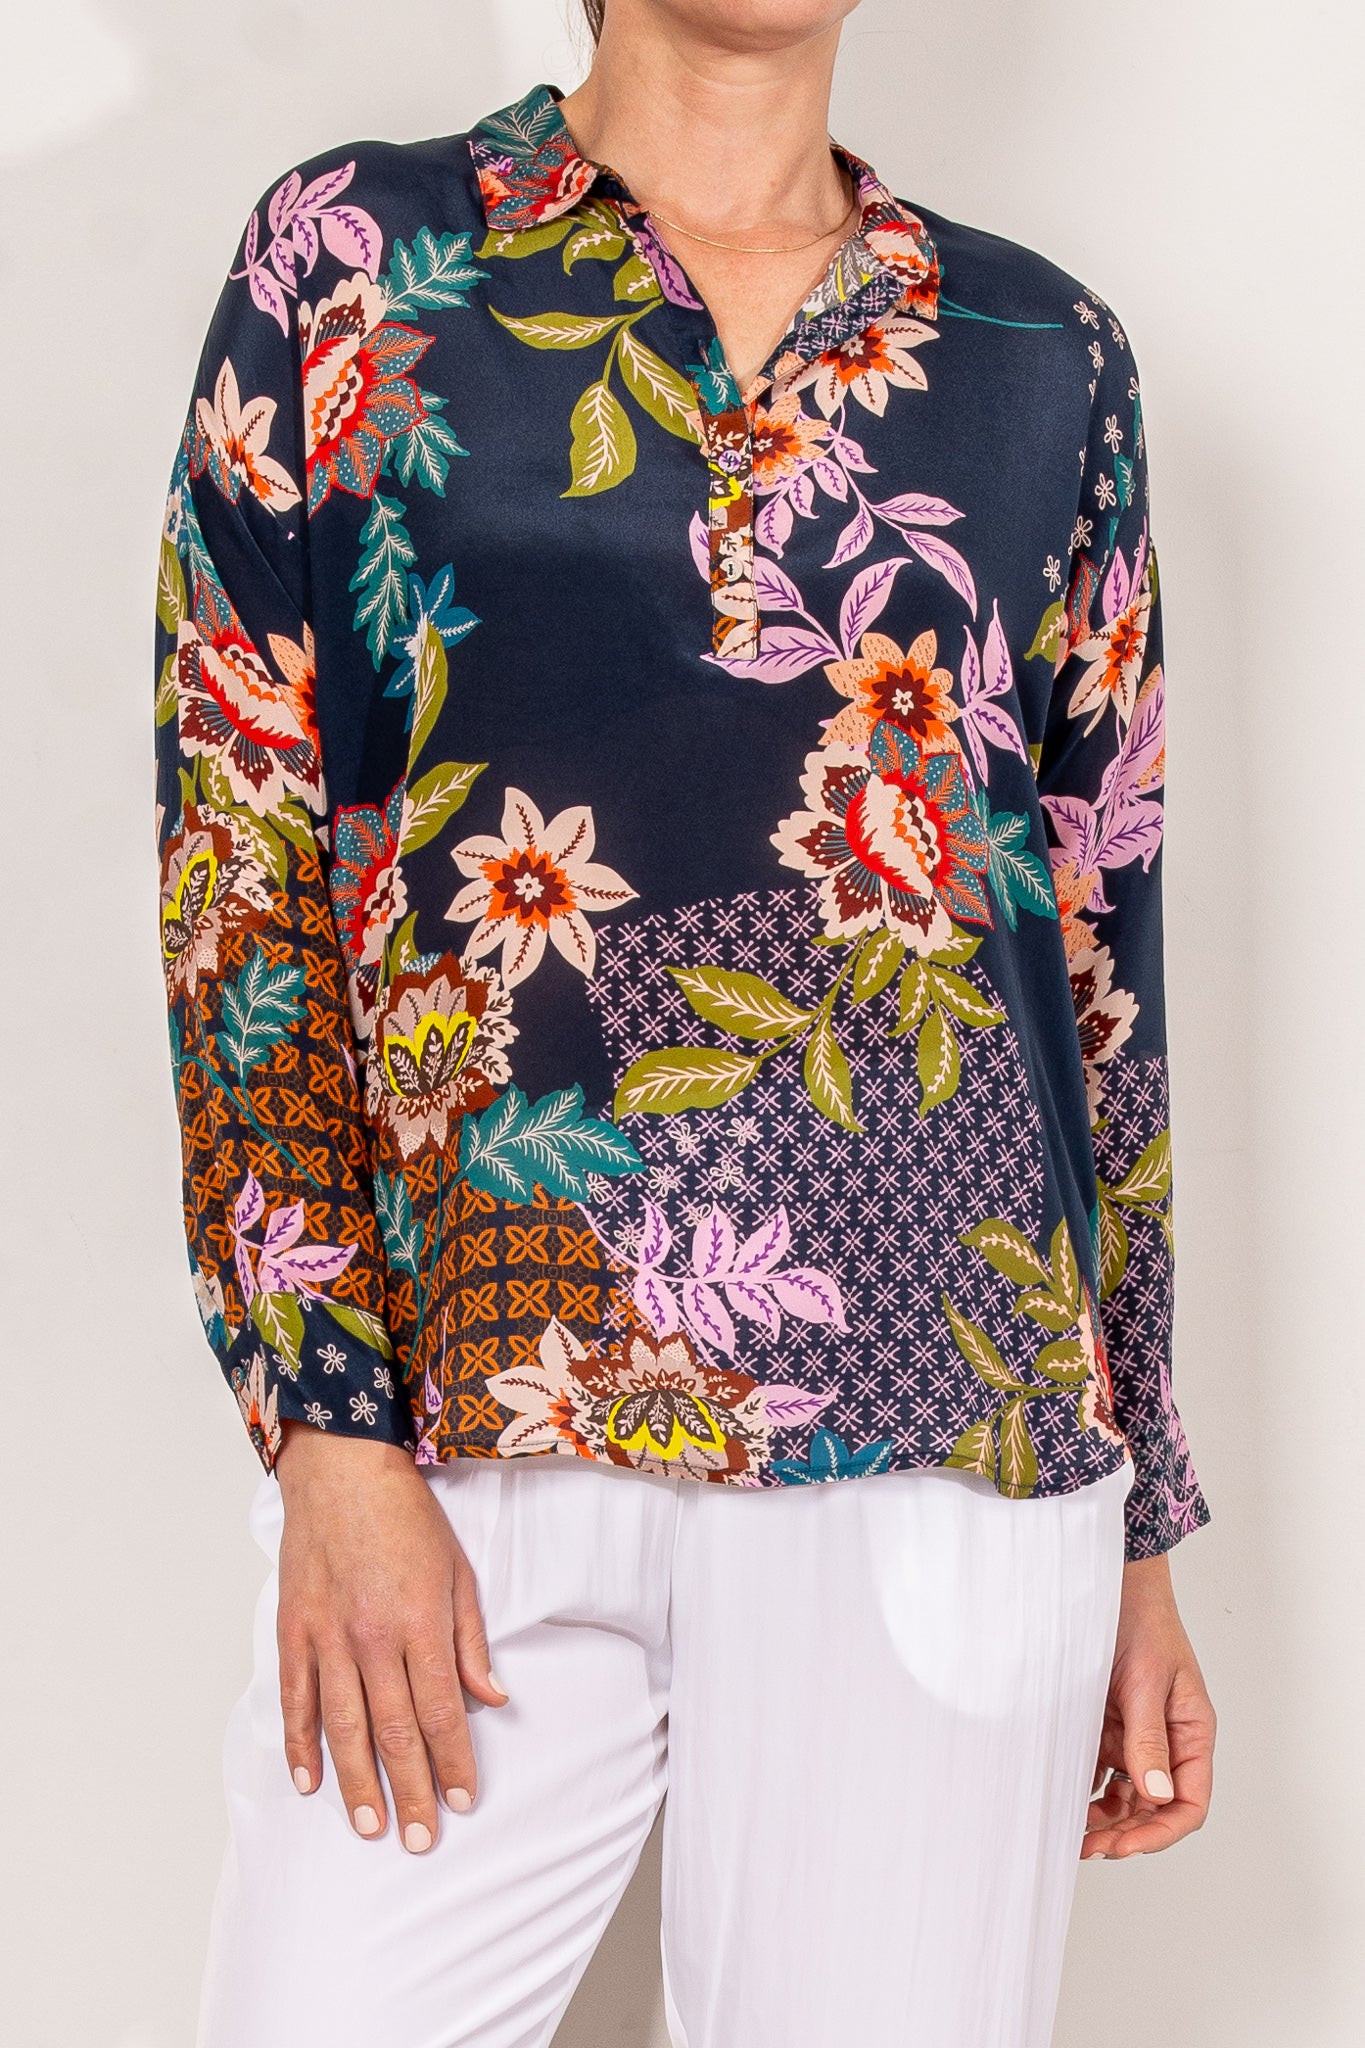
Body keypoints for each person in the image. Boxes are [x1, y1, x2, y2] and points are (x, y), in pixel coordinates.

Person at [155, 1, 1216, 2041]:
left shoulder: (1041, 356)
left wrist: (1143, 1523)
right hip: (480, 1408)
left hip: (949, 1432)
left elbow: (1100, 947)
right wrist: (326, 1431)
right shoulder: (355, 256)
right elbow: (240, 858)